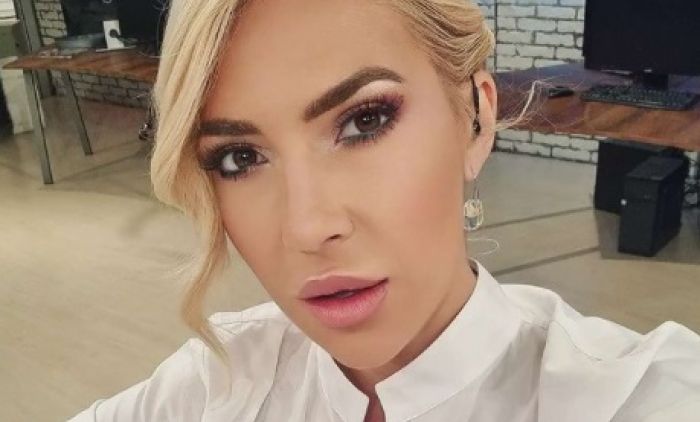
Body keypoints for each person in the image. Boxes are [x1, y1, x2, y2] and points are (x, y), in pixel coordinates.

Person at [69, 0, 700, 421]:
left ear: (476, 117)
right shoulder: (220, 382)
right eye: (239, 158)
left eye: (365, 121)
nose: (309, 228)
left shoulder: (633, 395)